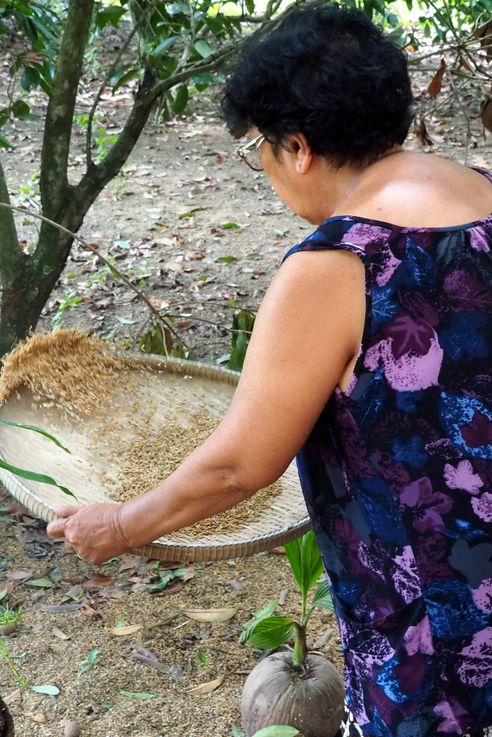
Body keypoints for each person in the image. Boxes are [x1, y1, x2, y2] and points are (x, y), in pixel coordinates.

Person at [47, 6, 492, 737]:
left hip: (435, 630)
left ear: (298, 146)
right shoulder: (481, 193)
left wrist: (121, 522)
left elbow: (239, 466)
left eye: (258, 145)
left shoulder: (341, 261)